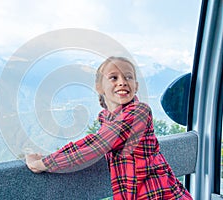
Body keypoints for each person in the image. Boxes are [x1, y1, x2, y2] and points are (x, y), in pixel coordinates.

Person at [26, 56, 193, 200]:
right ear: (99, 87)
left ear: (136, 86)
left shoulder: (139, 112)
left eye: (128, 77)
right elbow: (89, 143)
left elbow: (95, 146)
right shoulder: (106, 119)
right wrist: (52, 157)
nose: (122, 82)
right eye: (113, 77)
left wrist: (42, 164)